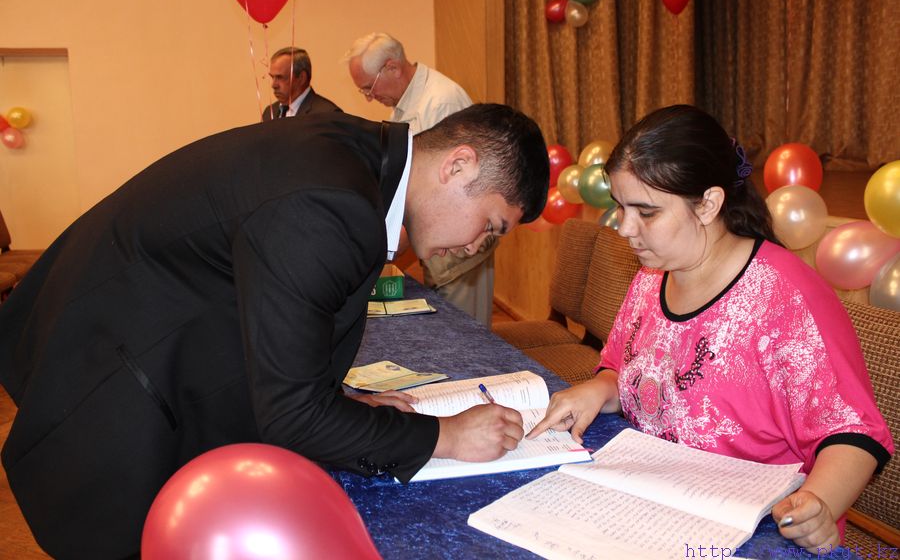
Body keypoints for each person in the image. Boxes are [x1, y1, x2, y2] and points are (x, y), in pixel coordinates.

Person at [0, 104, 550, 559]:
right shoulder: (331, 201)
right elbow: (292, 416)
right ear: (458, 165)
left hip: (137, 345)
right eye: (491, 226)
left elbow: (275, 318)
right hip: (110, 391)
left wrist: (341, 399)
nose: (476, 246)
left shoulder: (351, 159)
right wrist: (444, 436)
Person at [529, 105, 893, 553]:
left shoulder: (783, 296)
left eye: (646, 213)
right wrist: (600, 389)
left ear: (708, 204)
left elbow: (854, 432)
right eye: (621, 207)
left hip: (747, 530)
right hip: (649, 505)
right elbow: (622, 367)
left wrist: (819, 505)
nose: (624, 228)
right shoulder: (652, 277)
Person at [344, 32, 496, 327]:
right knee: (443, 332)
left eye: (368, 88)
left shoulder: (441, 102)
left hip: (461, 252)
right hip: (437, 246)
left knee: (465, 337)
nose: (369, 97)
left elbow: (450, 194)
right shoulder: (406, 103)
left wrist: (385, 246)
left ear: (392, 67)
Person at [262, 46, 341, 120]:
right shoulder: (269, 113)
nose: (274, 85)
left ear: (301, 78)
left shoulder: (328, 114)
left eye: (280, 77)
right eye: (272, 77)